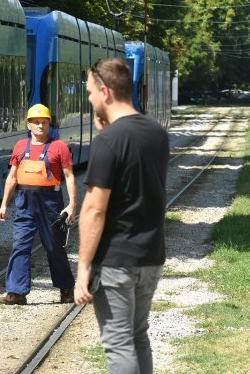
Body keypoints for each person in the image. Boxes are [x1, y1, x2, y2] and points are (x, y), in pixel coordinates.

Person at [74, 58, 169, 374]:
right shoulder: (156, 133)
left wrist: (83, 267)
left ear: (105, 91)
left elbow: (94, 209)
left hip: (116, 261)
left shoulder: (108, 141)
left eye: (90, 92)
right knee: (138, 336)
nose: (89, 100)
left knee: (118, 344)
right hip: (151, 256)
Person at [0, 103, 77, 305]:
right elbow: (12, 178)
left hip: (50, 202)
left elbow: (69, 177)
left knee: (54, 247)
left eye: (44, 122)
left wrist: (72, 205)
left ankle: (67, 289)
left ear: (49, 124)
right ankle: (16, 292)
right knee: (20, 246)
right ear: (29, 125)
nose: (40, 126)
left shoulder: (59, 147)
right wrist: (4, 205)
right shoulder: (20, 147)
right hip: (25, 202)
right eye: (36, 122)